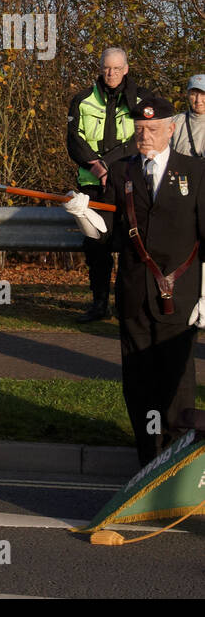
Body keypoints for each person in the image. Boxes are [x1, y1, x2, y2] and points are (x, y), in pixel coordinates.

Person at [64, 97, 205, 466]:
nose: (145, 136)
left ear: (171, 130)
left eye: (153, 129)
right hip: (133, 292)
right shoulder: (122, 171)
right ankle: (147, 458)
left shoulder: (196, 171)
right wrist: (82, 214)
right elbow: (106, 235)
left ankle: (175, 462)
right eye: (140, 130)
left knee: (176, 381)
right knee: (139, 383)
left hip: (180, 292)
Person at [67, 48, 150, 322]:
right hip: (93, 185)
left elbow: (139, 140)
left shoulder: (141, 101)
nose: (111, 73)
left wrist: (109, 165)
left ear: (126, 69)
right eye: (106, 68)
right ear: (100, 68)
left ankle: (128, 303)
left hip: (129, 184)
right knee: (96, 243)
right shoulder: (82, 100)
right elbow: (74, 141)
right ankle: (99, 303)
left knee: (131, 242)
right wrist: (96, 166)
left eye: (116, 68)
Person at [170, 74, 205, 159]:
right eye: (193, 94)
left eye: (203, 94)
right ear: (188, 95)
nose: (198, 100)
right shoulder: (174, 122)